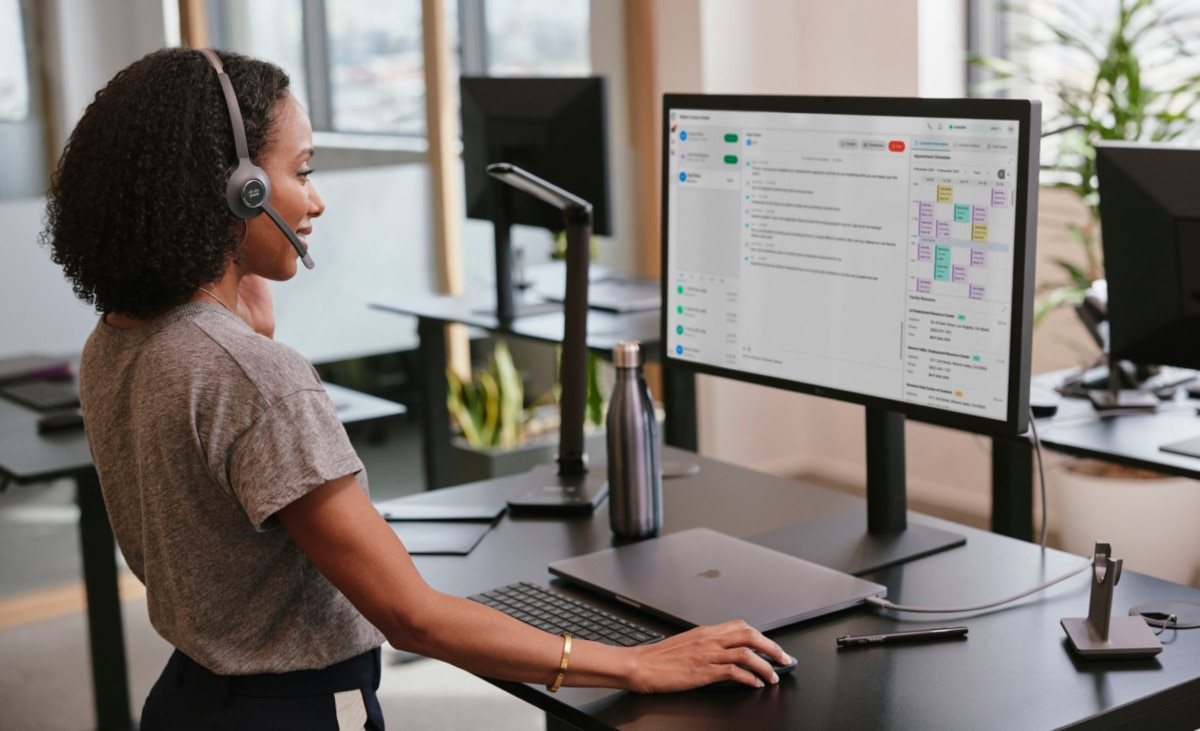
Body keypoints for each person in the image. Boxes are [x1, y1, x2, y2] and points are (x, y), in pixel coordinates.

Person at [42, 47, 791, 729]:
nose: (317, 198)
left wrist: (242, 313)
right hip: (292, 712)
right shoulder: (252, 378)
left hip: (186, 702)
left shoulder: (115, 341)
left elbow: (211, 507)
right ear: (238, 191)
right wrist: (635, 661)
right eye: (302, 171)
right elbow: (413, 617)